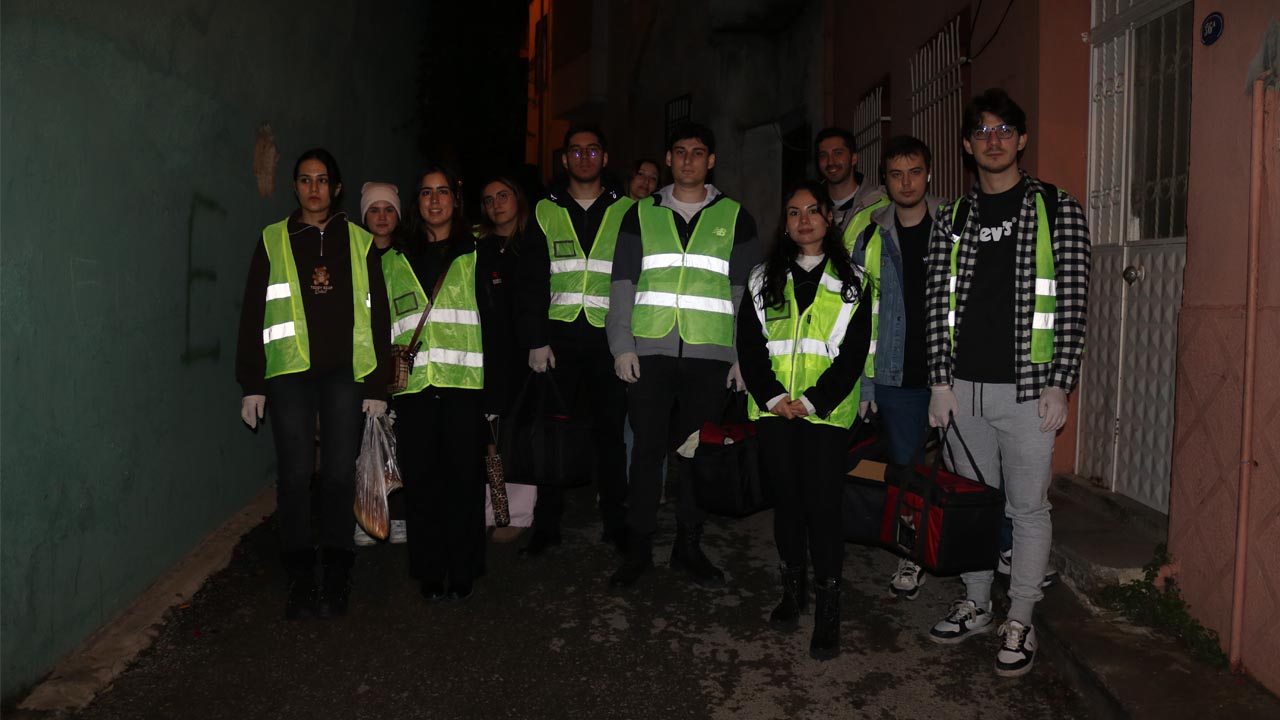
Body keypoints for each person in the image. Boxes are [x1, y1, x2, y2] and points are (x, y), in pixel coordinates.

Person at [924, 89, 1091, 677]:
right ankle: (976, 601)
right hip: (961, 389)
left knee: (1027, 509)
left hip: (1028, 390)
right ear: (967, 146)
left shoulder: (1056, 208)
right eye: (981, 132)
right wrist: (938, 382)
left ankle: (1020, 617)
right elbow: (934, 303)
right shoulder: (953, 217)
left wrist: (1060, 382)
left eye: (1003, 130)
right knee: (971, 503)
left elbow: (1072, 300)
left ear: (1021, 140)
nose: (992, 140)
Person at [235, 148, 390, 619]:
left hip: (345, 373)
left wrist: (377, 385)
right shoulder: (272, 239)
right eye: (305, 180)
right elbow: (253, 311)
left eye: (322, 180)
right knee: (296, 476)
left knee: (339, 474)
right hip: (289, 374)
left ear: (336, 188)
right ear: (295, 187)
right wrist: (252, 381)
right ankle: (301, 576)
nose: (314, 188)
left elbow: (379, 315)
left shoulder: (360, 241)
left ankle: (338, 571)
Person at [607, 121, 762, 587]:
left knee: (698, 454)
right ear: (668, 159)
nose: (688, 160)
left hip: (709, 356)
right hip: (648, 352)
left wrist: (742, 356)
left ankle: (688, 546)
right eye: (680, 151)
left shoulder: (736, 216)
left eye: (697, 152)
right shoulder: (641, 213)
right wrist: (621, 345)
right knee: (646, 452)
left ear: (710, 161)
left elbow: (746, 293)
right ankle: (638, 548)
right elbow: (622, 284)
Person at [738, 180, 872, 660]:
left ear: (829, 219)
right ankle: (792, 593)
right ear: (785, 223)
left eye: (813, 210)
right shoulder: (761, 279)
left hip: (826, 415)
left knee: (823, 508)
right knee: (788, 505)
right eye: (794, 213)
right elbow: (749, 346)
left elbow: (854, 354)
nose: (804, 220)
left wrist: (813, 401)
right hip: (774, 412)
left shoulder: (854, 281)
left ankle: (829, 608)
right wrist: (774, 397)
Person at [386, 164, 510, 602]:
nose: (434, 200)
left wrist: (494, 394)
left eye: (442, 192)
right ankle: (429, 569)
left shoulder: (476, 253)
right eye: (426, 192)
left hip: (464, 386)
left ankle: (463, 569)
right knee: (422, 484)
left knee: (463, 482)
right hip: (415, 390)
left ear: (455, 202)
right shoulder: (394, 258)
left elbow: (496, 325)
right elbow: (382, 327)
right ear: (416, 202)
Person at [516, 124, 633, 556]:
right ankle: (547, 524)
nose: (584, 157)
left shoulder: (628, 210)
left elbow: (637, 276)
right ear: (564, 159)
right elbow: (531, 280)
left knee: (611, 433)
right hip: (559, 338)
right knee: (553, 432)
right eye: (576, 151)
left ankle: (616, 522)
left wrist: (630, 341)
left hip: (608, 337)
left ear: (605, 157)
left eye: (592, 150)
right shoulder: (544, 210)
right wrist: (536, 339)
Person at [848, 136, 943, 600]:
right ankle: (912, 553)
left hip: (955, 374)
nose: (907, 183)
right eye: (896, 174)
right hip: (894, 375)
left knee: (970, 468)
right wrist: (865, 385)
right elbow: (857, 319)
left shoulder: (955, 228)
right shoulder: (869, 237)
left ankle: (992, 547)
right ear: (884, 182)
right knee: (906, 471)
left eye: (915, 172)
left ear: (929, 175)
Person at [478, 175, 536, 544]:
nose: (496, 204)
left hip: (529, 353)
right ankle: (494, 509)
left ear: (517, 199)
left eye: (503, 196)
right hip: (489, 351)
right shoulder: (479, 249)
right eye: (489, 199)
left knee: (524, 434)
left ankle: (521, 514)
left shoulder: (533, 243)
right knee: (492, 435)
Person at [354, 181, 408, 547]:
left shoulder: (408, 255)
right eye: (374, 210)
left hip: (399, 361)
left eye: (389, 210)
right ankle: (366, 514)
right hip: (363, 360)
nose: (382, 216)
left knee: (398, 442)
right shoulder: (353, 256)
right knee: (363, 442)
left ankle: (398, 514)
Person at [813, 127, 888, 245]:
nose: (830, 162)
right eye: (823, 155)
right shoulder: (810, 206)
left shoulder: (881, 204)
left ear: (854, 158)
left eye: (838, 153)